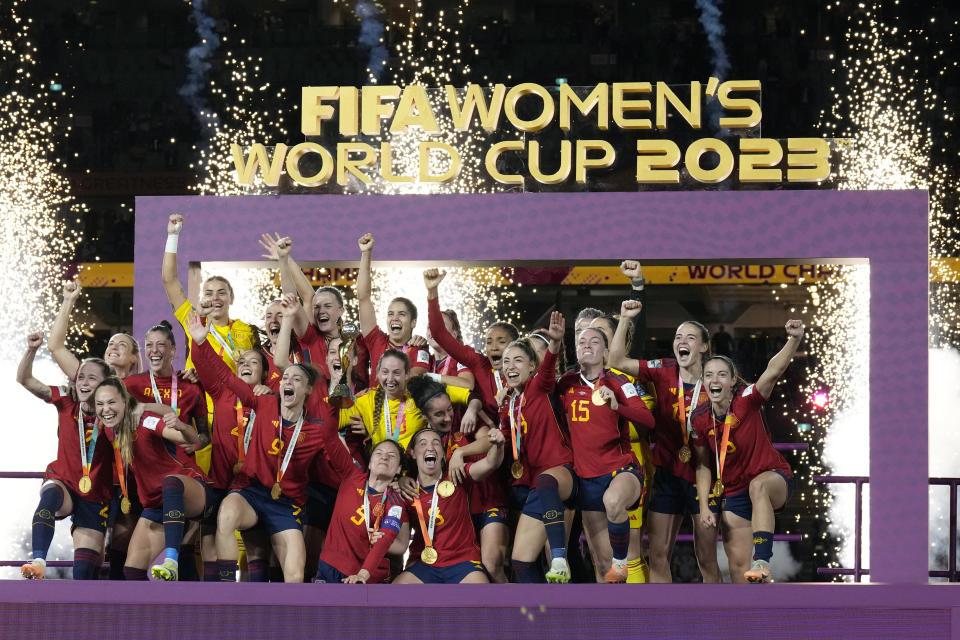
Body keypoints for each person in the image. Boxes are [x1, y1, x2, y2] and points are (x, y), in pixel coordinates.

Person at [186, 313, 327, 583]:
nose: (288, 382)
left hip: (285, 503)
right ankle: (227, 594)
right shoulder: (263, 402)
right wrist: (201, 343)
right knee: (226, 517)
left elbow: (336, 465)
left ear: (308, 390)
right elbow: (226, 376)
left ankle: (287, 621)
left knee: (295, 575)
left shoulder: (315, 427)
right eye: (286, 378)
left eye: (297, 380)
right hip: (249, 490)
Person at [609, 300, 721, 583]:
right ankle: (663, 622)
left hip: (704, 475)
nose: (682, 342)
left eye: (690, 338)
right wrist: (624, 319)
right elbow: (617, 361)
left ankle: (719, 621)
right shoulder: (662, 369)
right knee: (657, 555)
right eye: (678, 337)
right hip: (668, 474)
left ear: (704, 347)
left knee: (706, 558)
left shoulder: (717, 380)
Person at [691, 320, 803, 583]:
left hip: (772, 478)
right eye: (708, 375)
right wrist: (706, 504)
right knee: (740, 570)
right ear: (703, 382)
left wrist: (794, 340)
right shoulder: (698, 419)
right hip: (733, 491)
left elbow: (772, 372)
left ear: (732, 381)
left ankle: (763, 560)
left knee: (758, 487)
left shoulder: (747, 401)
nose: (714, 380)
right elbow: (703, 465)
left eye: (721, 375)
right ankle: (748, 619)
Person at [557, 326, 655, 582]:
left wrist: (618, 405)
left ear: (606, 351)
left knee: (613, 502)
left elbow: (648, 419)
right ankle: (613, 618)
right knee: (602, 566)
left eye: (594, 342)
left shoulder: (618, 380)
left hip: (621, 470)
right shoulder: (566, 384)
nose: (586, 345)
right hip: (586, 479)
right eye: (581, 342)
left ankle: (621, 563)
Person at [93, 377, 212, 581]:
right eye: (100, 404)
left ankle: (171, 561)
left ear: (125, 401)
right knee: (132, 571)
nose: (106, 409)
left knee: (170, 482)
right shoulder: (110, 429)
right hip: (156, 504)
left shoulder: (145, 420)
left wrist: (182, 427)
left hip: (189, 490)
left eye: (111, 402)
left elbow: (188, 439)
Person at [163, 213, 256, 472]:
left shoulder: (247, 331)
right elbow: (170, 282)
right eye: (209, 293)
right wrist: (173, 235)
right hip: (201, 410)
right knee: (203, 475)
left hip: (236, 412)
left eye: (221, 293)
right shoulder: (193, 319)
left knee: (238, 473)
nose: (215, 298)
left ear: (232, 298)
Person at [17, 333, 114, 580]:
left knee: (83, 573)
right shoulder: (66, 398)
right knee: (49, 497)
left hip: (96, 495)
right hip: (64, 480)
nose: (83, 382)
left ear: (105, 384)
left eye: (92, 378)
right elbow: (25, 379)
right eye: (80, 377)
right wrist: (31, 350)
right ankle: (38, 560)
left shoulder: (115, 411)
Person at [405, 376, 508, 582]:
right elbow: (410, 469)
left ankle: (510, 610)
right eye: (439, 414)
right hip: (456, 509)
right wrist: (402, 479)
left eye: (449, 409)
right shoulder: (424, 439)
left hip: (486, 499)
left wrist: (460, 453)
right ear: (425, 416)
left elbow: (489, 441)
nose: (448, 417)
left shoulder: (463, 416)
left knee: (491, 564)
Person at [500, 312, 576, 583]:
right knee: (521, 562)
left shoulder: (539, 387)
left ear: (532, 367)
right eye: (506, 361)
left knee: (545, 481)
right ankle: (540, 619)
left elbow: (549, 366)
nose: (510, 365)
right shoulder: (508, 406)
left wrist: (554, 343)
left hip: (563, 473)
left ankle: (558, 558)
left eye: (518, 360)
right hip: (536, 488)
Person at [588, 313, 657, 584]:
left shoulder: (632, 378)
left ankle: (639, 617)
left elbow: (647, 421)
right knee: (601, 553)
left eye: (603, 336)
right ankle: (607, 614)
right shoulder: (581, 380)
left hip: (629, 465)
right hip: (591, 470)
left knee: (630, 552)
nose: (594, 342)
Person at [393, 427, 505, 584]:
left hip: (463, 562)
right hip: (423, 564)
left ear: (442, 452)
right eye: (423, 443)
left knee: (481, 595)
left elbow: (489, 463)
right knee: (394, 596)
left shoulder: (455, 476)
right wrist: (399, 480)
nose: (430, 447)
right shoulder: (406, 491)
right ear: (412, 453)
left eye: (436, 443)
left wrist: (498, 445)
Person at [424, 268, 518, 427]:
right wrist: (432, 293)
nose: (493, 347)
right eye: (489, 342)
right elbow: (439, 333)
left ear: (515, 345)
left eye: (501, 342)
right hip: (492, 443)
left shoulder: (526, 375)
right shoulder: (479, 364)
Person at [313, 432, 409, 584]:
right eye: (379, 453)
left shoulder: (396, 503)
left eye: (391, 455)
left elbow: (385, 540)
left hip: (366, 575)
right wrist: (334, 408)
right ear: (370, 463)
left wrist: (362, 575)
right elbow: (329, 436)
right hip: (330, 566)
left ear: (398, 469)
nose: (384, 457)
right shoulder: (352, 476)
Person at [357, 233, 430, 379]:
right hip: (374, 402)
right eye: (391, 314)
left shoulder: (419, 348)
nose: (394, 318)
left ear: (413, 322)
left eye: (401, 314)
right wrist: (366, 253)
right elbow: (363, 298)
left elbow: (416, 375)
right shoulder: (377, 341)